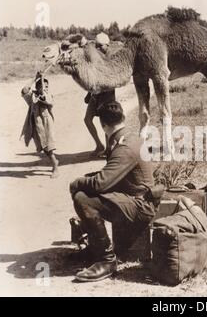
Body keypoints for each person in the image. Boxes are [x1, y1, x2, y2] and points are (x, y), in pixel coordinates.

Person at [69, 101, 156, 282]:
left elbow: (101, 183)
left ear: (103, 125)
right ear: (122, 117)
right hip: (136, 198)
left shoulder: (124, 147)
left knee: (82, 199)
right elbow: (110, 176)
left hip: (140, 206)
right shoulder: (130, 138)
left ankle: (107, 260)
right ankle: (95, 248)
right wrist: (87, 181)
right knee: (86, 191)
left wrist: (78, 182)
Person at [21, 72, 59, 178]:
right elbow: (24, 90)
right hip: (36, 126)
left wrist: (42, 83)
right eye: (42, 86)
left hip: (47, 125)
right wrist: (35, 78)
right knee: (43, 147)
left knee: (49, 146)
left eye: (47, 86)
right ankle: (55, 161)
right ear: (36, 87)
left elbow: (45, 97)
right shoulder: (32, 97)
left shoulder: (48, 96)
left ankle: (55, 167)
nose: (45, 88)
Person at [83, 32, 115, 157]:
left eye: (101, 45)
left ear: (107, 45)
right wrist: (88, 93)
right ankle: (99, 145)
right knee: (87, 119)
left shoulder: (112, 59)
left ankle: (108, 149)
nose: (98, 48)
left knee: (106, 123)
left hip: (107, 95)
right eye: (96, 45)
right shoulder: (96, 58)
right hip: (95, 94)